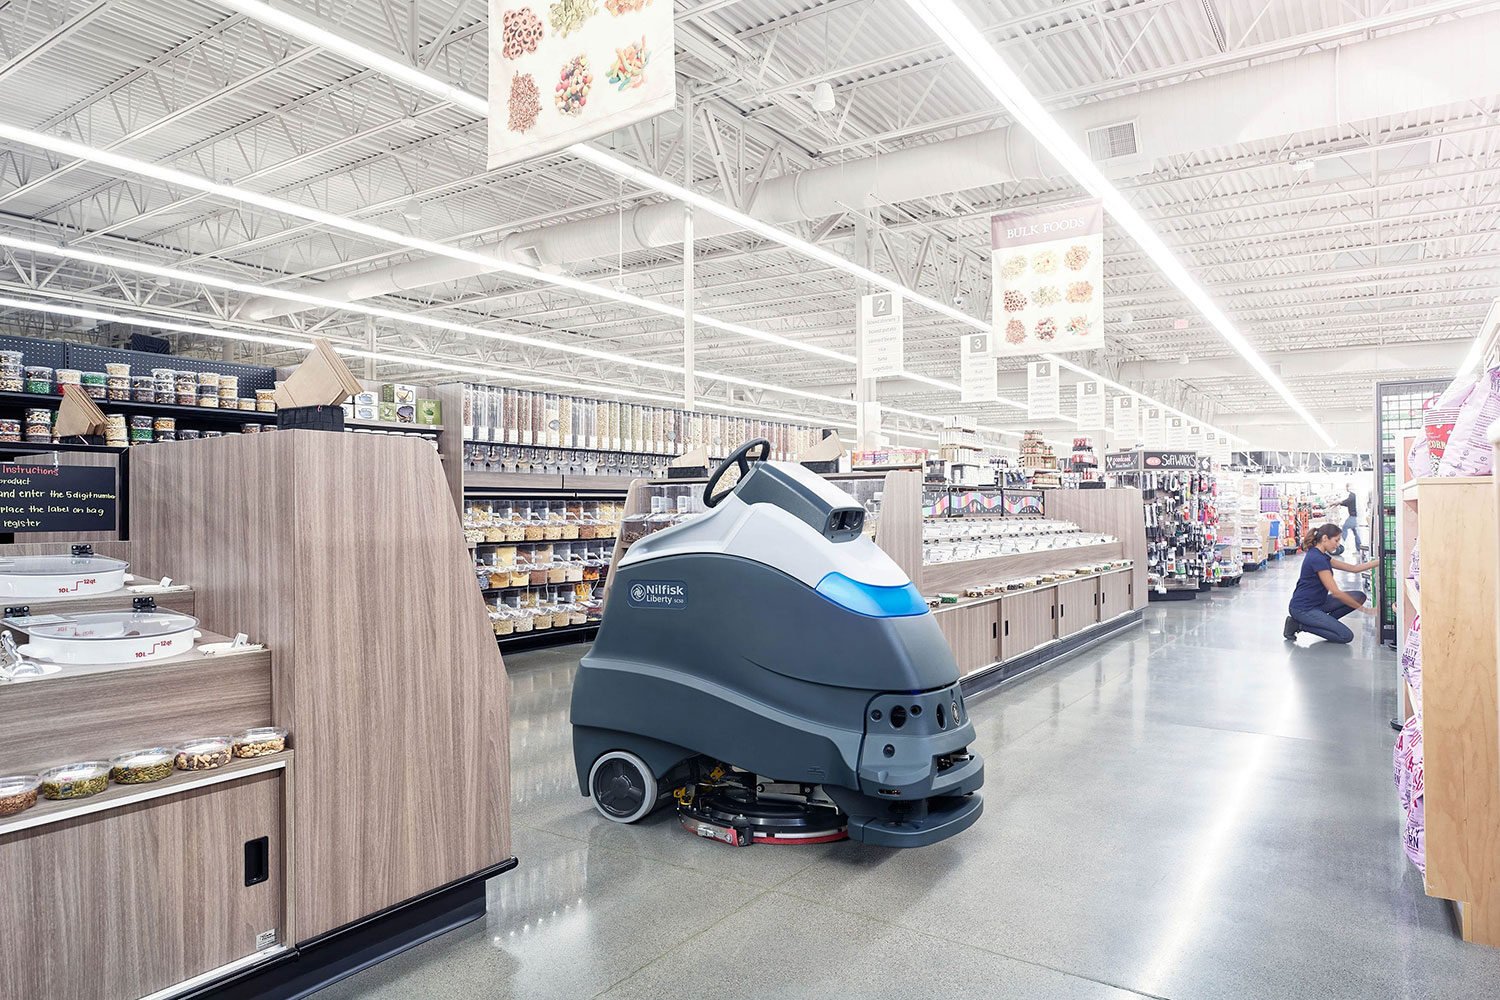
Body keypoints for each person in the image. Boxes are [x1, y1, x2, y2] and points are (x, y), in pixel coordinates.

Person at [1284, 523, 1379, 644]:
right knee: (1346, 636)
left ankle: (1322, 622)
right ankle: (1299, 625)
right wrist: (1365, 610)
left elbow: (1355, 568)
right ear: (1324, 538)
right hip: (1303, 608)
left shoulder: (1322, 556)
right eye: (1336, 540)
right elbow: (1336, 592)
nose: (1338, 544)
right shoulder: (1317, 559)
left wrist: (1380, 561)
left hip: (1319, 602)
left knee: (1359, 596)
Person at [1341, 482, 1365, 555]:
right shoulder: (1355, 495)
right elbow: (1348, 503)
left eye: (1347, 486)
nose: (1346, 488)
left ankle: (1341, 544)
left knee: (1345, 527)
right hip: (1356, 516)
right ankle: (1359, 549)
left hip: (1354, 516)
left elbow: (1348, 501)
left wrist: (1339, 502)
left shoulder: (1353, 495)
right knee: (1356, 533)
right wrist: (1340, 503)